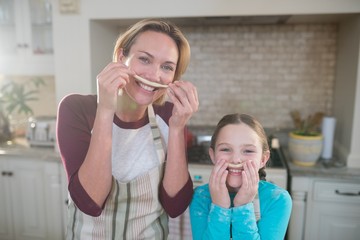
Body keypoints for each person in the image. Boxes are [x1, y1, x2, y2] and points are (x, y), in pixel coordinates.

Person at [56, 19, 199, 239]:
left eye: (167, 67)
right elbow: (90, 202)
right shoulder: (76, 109)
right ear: (121, 57)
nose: (154, 75)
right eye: (144, 59)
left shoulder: (169, 116)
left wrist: (178, 128)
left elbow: (176, 205)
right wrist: (105, 109)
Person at [189, 113, 292, 240]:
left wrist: (243, 206)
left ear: (263, 159)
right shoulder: (200, 197)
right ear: (213, 155)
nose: (236, 159)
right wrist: (219, 207)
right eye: (226, 149)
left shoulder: (277, 199)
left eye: (248, 151)